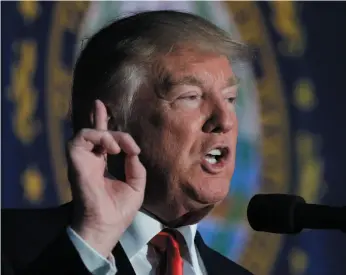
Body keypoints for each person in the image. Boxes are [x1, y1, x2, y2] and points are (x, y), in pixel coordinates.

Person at [2, 10, 253, 275]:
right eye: (190, 97)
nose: (225, 120)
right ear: (111, 125)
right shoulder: (10, 246)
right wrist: (94, 240)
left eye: (230, 99)